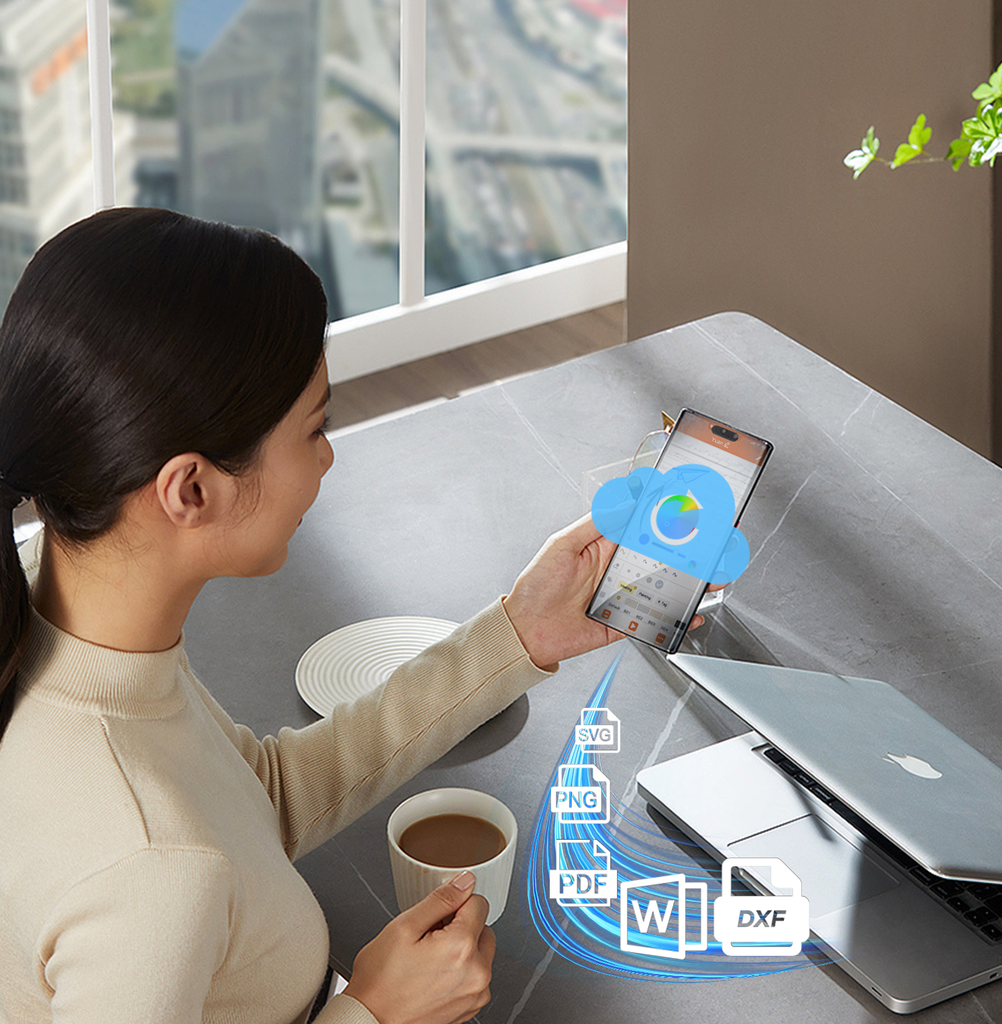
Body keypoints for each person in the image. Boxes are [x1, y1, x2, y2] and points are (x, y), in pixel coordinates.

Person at [0, 208, 700, 1024]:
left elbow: (253, 803)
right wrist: (376, 1011)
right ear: (191, 489)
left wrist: (516, 635)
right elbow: (175, 858)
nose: (329, 456)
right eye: (315, 428)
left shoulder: (54, 603)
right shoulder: (150, 869)